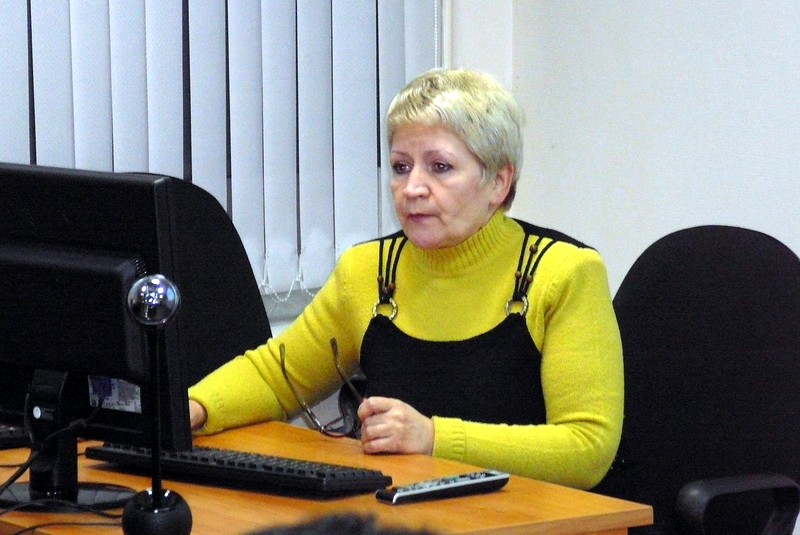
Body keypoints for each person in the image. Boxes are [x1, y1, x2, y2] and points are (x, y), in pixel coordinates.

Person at [188, 68, 623, 490]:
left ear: (499, 182)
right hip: (397, 512)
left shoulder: (563, 272)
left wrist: (434, 438)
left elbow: (587, 448)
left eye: (440, 167)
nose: (412, 187)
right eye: (400, 167)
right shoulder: (369, 270)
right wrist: (189, 408)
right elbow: (276, 376)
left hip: (531, 518)